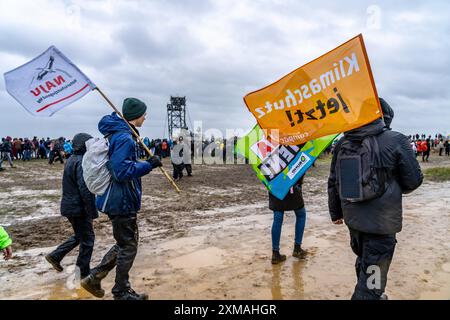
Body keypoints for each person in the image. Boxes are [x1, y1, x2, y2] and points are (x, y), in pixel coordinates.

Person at [328, 98, 423, 300]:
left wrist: (335, 212)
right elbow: (413, 181)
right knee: (372, 282)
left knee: (365, 262)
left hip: (353, 221)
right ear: (386, 118)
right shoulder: (396, 139)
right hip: (382, 225)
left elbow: (333, 181)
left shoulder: (343, 142)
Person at [81, 98, 162, 300]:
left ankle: (95, 278)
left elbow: (120, 165)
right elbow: (121, 170)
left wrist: (143, 163)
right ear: (136, 115)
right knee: (128, 245)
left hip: (117, 198)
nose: (146, 116)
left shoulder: (120, 133)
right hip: (121, 199)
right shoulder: (125, 137)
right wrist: (148, 165)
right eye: (144, 113)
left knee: (125, 243)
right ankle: (121, 291)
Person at [45, 133, 98, 287]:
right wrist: (92, 210)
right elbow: (85, 189)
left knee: (81, 235)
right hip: (78, 207)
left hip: (69, 205)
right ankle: (82, 274)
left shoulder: (71, 159)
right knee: (88, 240)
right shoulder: (81, 161)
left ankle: (56, 256)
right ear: (84, 145)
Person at [269, 177, 307, 264]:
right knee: (301, 215)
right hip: (291, 185)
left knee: (277, 219)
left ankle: (275, 253)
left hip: (275, 186)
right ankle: (297, 249)